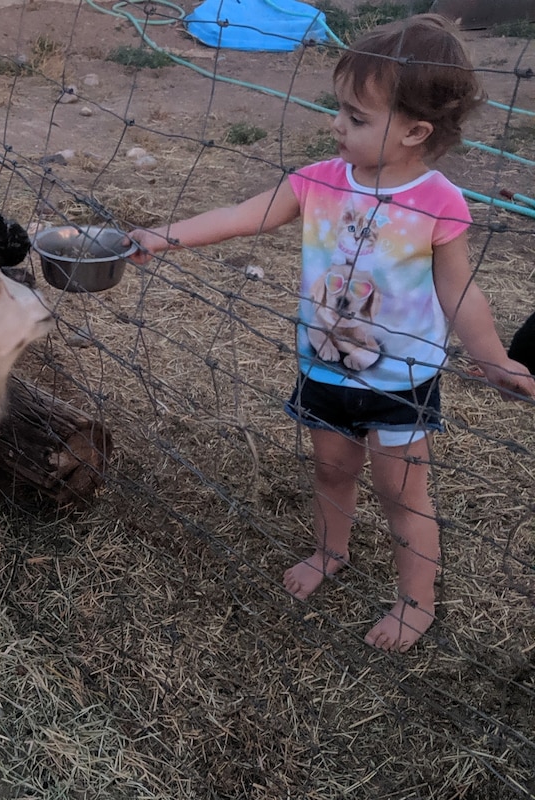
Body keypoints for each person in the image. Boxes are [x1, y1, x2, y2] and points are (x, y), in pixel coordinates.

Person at [128, 13, 535, 652]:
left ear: (415, 131)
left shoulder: (439, 202)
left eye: (355, 118)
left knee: (402, 493)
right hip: (324, 367)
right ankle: (330, 551)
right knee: (330, 469)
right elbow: (243, 215)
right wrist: (163, 235)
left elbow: (459, 291)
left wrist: (493, 359)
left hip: (401, 380)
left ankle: (415, 601)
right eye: (338, 111)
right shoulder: (318, 181)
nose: (336, 126)